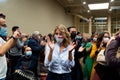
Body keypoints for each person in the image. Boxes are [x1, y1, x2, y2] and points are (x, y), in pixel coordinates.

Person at [0, 12, 21, 80]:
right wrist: (13, 37)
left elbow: (10, 45)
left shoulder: (0, 38)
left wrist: (15, 38)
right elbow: (1, 52)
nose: (2, 28)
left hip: (2, 74)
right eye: (1, 25)